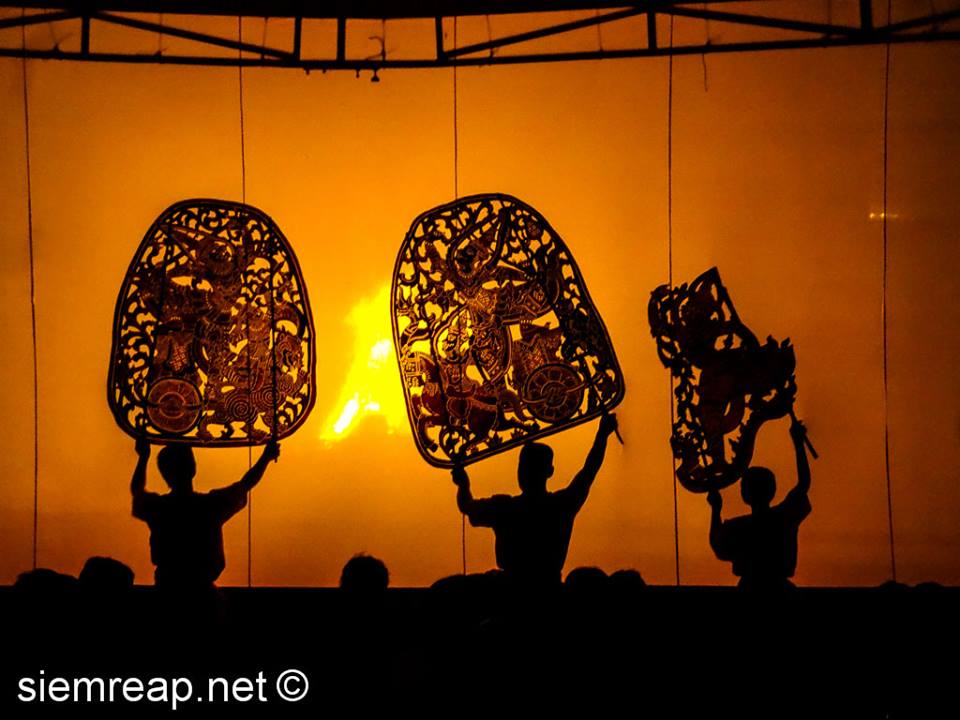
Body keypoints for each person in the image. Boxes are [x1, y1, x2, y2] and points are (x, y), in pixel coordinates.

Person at [451, 414, 619, 589]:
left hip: (510, 590)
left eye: (525, 467)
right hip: (548, 588)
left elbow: (467, 507)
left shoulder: (504, 507)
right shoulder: (561, 506)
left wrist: (463, 484)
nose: (523, 472)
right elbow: (589, 471)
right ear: (550, 471)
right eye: (523, 467)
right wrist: (602, 434)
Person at [131, 437, 279, 590]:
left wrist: (143, 457)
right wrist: (266, 457)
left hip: (167, 589)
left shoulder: (159, 508)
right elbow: (246, 484)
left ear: (164, 473)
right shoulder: (210, 506)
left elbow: (137, 491)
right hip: (203, 594)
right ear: (193, 468)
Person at [707, 418, 812, 590]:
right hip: (780, 588)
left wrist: (716, 509)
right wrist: (798, 443)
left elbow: (718, 546)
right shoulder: (783, 518)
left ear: (745, 494)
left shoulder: (738, 527)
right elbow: (803, 484)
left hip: (749, 589)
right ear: (772, 490)